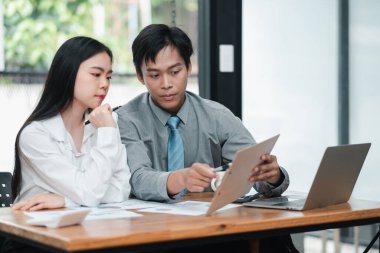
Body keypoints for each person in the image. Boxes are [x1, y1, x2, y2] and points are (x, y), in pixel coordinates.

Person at [117, 24, 297, 253]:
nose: (166, 84)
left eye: (175, 72)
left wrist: (272, 176)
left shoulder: (217, 115)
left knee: (274, 239)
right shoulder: (126, 119)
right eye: (154, 75)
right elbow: (138, 178)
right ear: (140, 77)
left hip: (210, 227)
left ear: (189, 67)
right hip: (150, 231)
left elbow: (252, 172)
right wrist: (180, 178)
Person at [11, 36, 131, 210]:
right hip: (38, 230)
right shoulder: (35, 135)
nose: (105, 84)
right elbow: (89, 193)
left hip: (89, 227)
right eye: (96, 74)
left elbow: (122, 189)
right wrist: (83, 197)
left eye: (109, 77)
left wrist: (66, 201)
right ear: (68, 72)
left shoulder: (106, 122)